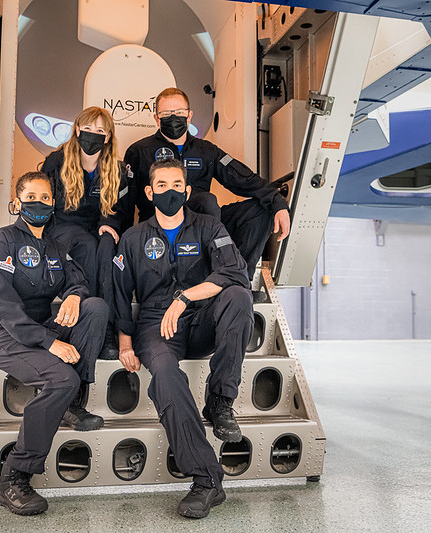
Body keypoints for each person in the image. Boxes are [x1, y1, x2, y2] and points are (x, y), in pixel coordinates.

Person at [112, 158, 254, 519]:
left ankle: (220, 401)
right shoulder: (132, 238)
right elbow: (117, 292)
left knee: (238, 297)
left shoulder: (209, 226)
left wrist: (187, 296)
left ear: (187, 191)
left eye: (177, 185)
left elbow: (235, 273)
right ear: (149, 192)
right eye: (161, 186)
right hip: (154, 324)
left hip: (200, 317)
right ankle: (207, 479)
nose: (170, 192)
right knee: (164, 375)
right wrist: (125, 343)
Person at [0, 171, 109, 516]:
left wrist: (73, 296)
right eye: (31, 197)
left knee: (95, 308)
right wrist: (49, 343)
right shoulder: (1, 242)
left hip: (43, 327)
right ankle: (14, 478)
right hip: (7, 336)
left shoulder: (54, 246)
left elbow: (77, 281)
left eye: (46, 197)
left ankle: (70, 404)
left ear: (54, 204)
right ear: (18, 202)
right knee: (61, 377)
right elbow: (4, 306)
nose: (39, 203)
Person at [123, 87, 291, 280]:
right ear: (156, 118)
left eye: (179, 113)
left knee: (261, 209)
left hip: (205, 223)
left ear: (189, 115)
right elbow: (126, 201)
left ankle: (236, 278)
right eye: (167, 114)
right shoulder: (139, 151)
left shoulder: (206, 150)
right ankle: (210, 269)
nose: (174, 117)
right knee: (207, 201)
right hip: (159, 227)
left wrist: (277, 203)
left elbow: (242, 178)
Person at [41, 107, 135, 358]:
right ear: (77, 130)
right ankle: (92, 321)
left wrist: (109, 223)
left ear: (108, 137)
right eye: (88, 129)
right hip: (61, 226)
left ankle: (106, 328)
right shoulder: (56, 161)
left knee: (105, 246)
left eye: (100, 131)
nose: (93, 135)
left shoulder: (117, 170)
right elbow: (43, 200)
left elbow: (120, 211)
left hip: (94, 227)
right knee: (84, 244)